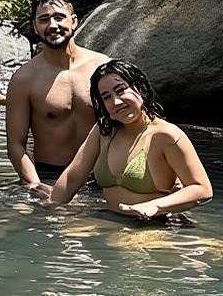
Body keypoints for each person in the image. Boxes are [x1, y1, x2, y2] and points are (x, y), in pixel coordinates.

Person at [52, 60, 213, 220]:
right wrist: (49, 214)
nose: (116, 101)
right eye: (106, 97)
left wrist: (156, 206)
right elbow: (71, 179)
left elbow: (202, 189)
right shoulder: (104, 131)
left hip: (156, 224)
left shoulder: (166, 136)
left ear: (141, 89)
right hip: (111, 219)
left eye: (121, 90)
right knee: (67, 233)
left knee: (123, 243)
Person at [5, 0, 109, 193]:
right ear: (35, 27)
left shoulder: (103, 67)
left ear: (74, 21)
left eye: (59, 17)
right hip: (50, 177)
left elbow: (133, 123)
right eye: (44, 20)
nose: (52, 25)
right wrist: (35, 185)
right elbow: (15, 145)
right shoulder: (24, 79)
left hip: (102, 175)